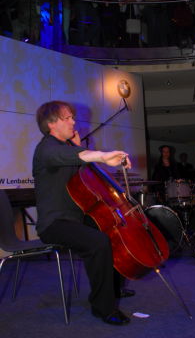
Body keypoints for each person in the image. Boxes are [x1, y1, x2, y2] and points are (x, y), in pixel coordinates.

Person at [32, 100, 132, 325]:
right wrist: (101, 155)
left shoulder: (65, 150)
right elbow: (64, 156)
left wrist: (77, 149)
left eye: (72, 117)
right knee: (97, 242)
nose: (73, 121)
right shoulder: (45, 149)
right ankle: (103, 308)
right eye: (67, 118)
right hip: (54, 224)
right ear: (51, 124)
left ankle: (112, 288)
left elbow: (81, 172)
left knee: (111, 231)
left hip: (75, 219)